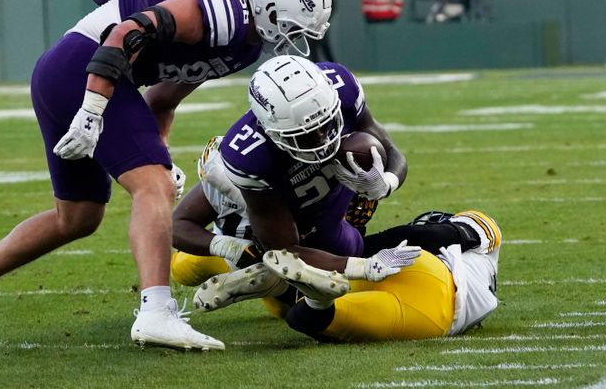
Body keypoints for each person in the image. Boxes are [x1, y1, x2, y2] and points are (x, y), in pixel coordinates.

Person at [0, 0, 333, 351]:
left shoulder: (241, 45)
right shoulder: (220, 8)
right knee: (152, 186)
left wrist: (163, 154)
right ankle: (156, 311)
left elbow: (163, 98)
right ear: (270, 8)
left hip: (72, 74)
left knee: (79, 216)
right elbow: (125, 34)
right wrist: (91, 111)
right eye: (291, 28)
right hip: (82, 70)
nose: (291, 41)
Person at [190, 55, 413, 312]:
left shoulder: (342, 87)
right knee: (296, 290)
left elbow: (391, 151)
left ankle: (272, 284)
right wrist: (362, 267)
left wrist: (386, 182)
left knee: (335, 256)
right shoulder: (249, 157)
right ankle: (273, 284)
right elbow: (283, 250)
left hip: (317, 220)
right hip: (266, 234)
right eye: (304, 135)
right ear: (271, 130)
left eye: (326, 125)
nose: (321, 140)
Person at [170, 135, 380, 317]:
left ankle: (277, 286)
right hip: (263, 246)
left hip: (304, 247)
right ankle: (277, 285)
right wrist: (229, 247)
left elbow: (289, 248)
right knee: (184, 266)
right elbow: (176, 226)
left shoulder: (275, 175)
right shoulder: (231, 180)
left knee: (185, 266)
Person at [264, 209, 501, 342]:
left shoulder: (478, 230)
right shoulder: (480, 267)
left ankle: (294, 289)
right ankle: (316, 297)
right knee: (306, 317)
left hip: (422, 271)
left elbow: (421, 236)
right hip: (429, 312)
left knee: (307, 311)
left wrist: (346, 254)